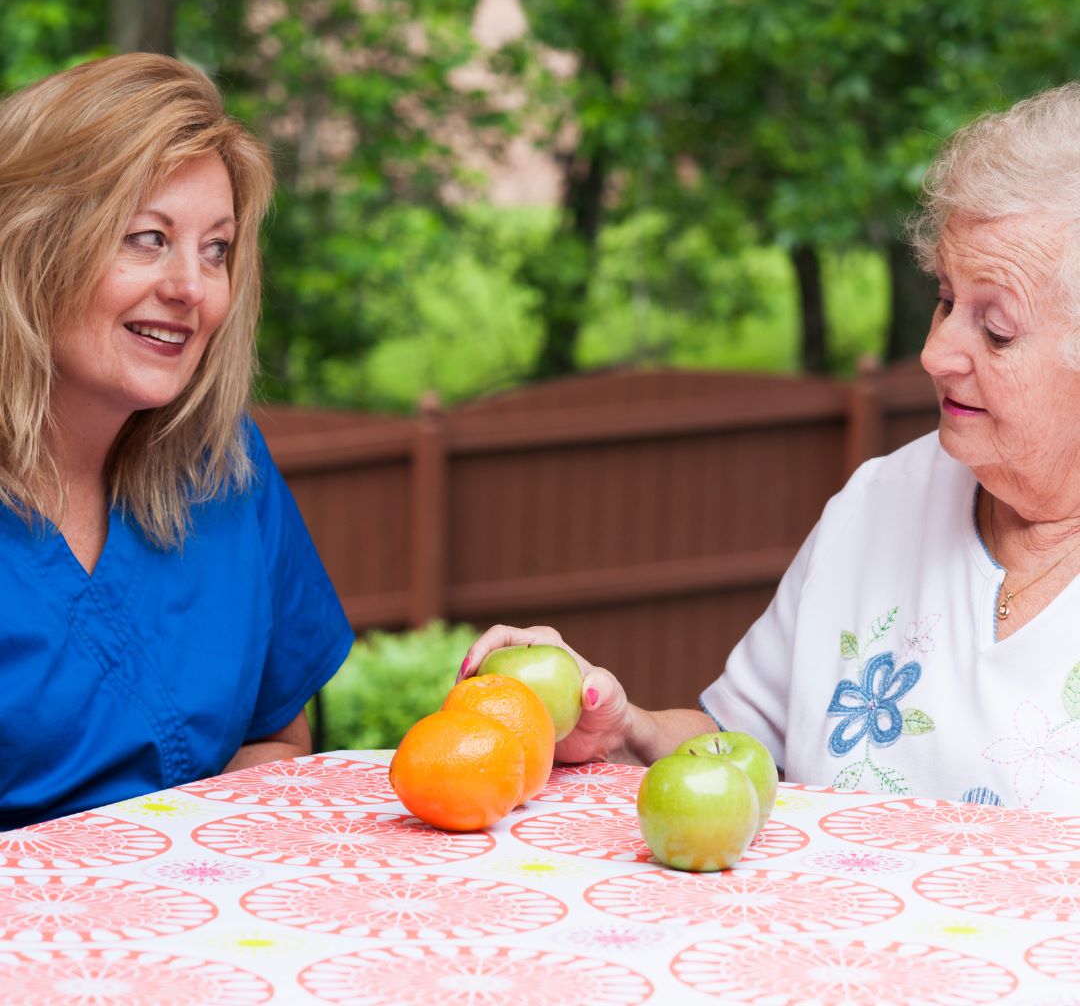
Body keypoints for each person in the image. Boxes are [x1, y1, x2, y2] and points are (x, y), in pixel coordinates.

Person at [461, 82, 1080, 812]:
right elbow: (742, 744)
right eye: (945, 299)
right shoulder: (879, 504)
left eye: (997, 327)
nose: (935, 350)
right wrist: (622, 729)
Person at [0, 54, 354, 828]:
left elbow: (276, 734)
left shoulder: (225, 469)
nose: (192, 288)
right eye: (147, 238)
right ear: (30, 246)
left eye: (216, 249)